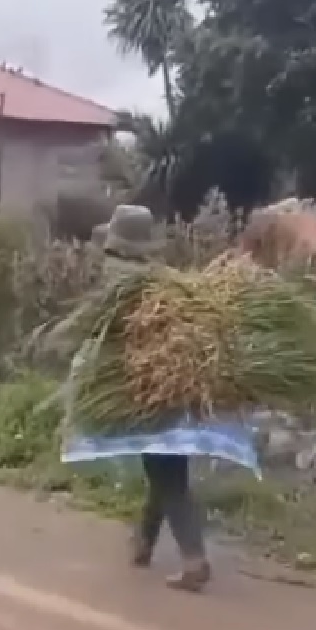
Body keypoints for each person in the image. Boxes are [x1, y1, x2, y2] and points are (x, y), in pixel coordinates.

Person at [96, 207, 211, 593]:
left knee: (167, 472)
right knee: (162, 462)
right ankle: (143, 543)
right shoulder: (165, 282)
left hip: (150, 388)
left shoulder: (119, 283)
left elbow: (107, 337)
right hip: (178, 384)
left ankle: (194, 559)